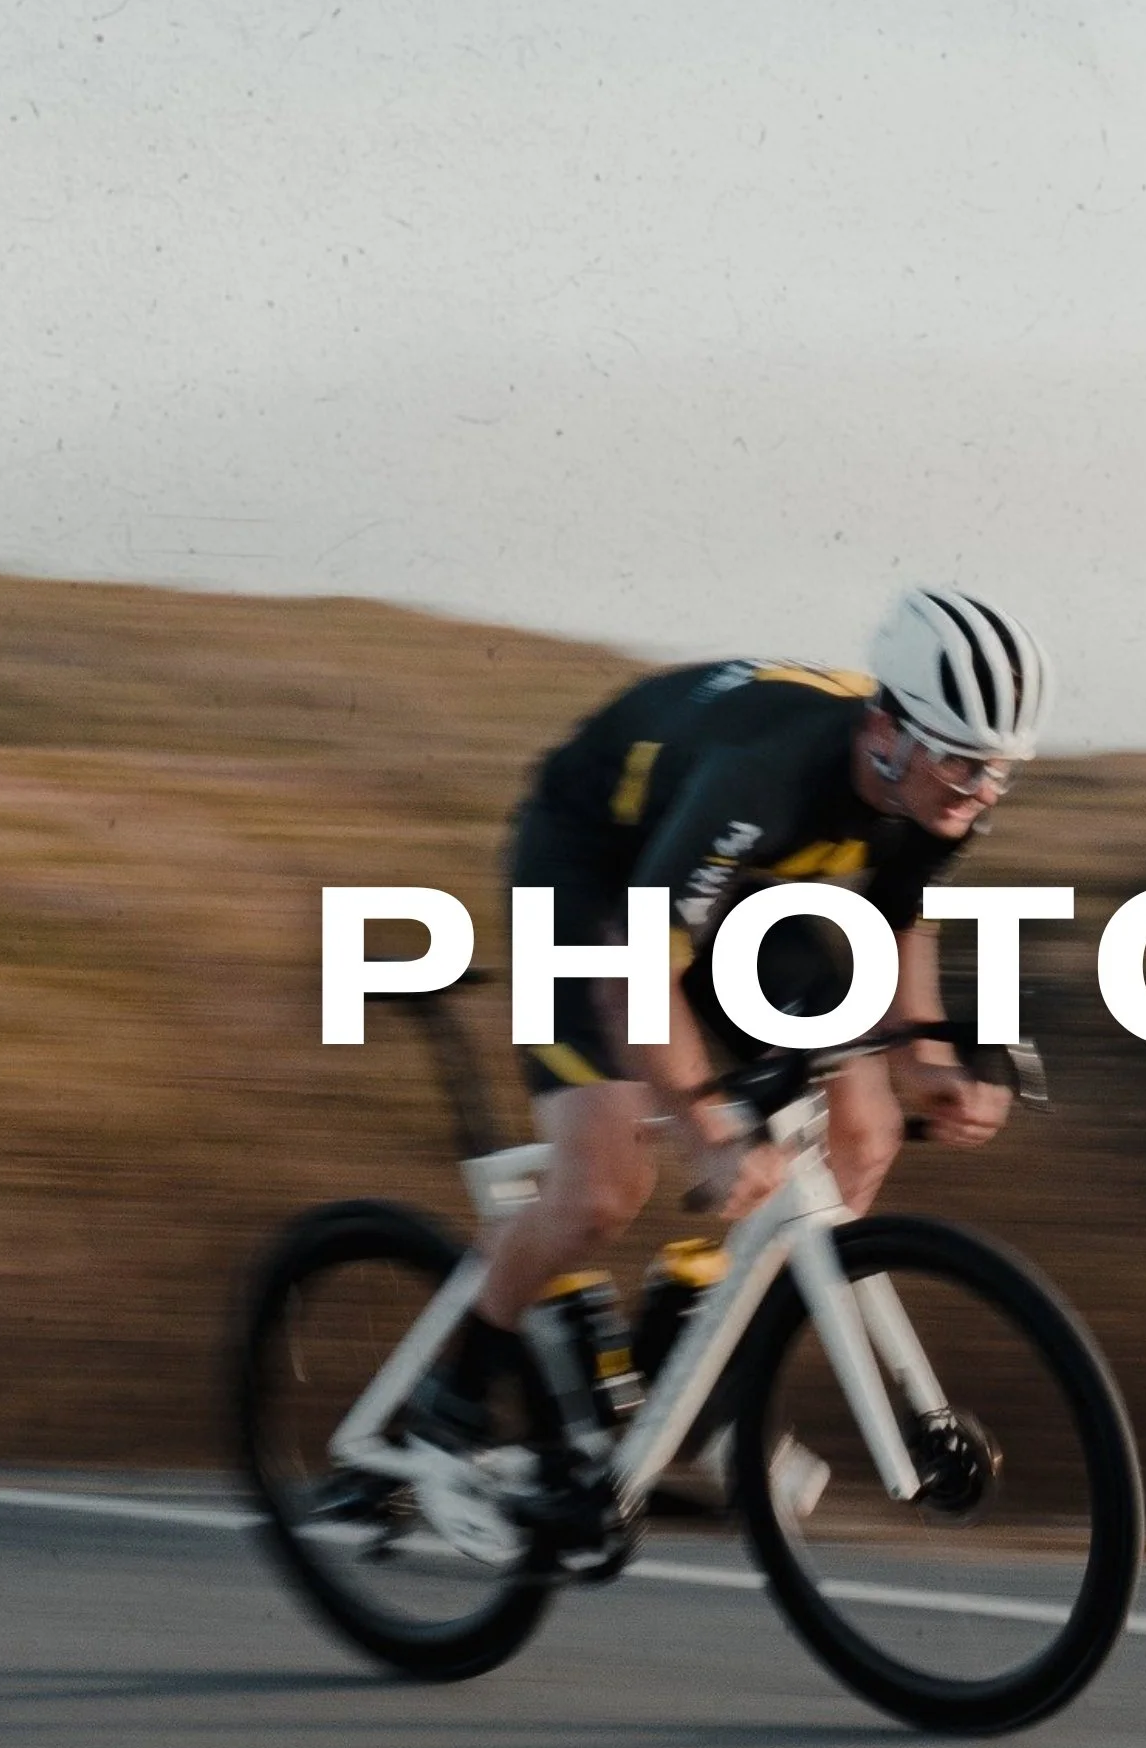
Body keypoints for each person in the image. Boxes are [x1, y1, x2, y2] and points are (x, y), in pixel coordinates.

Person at [418, 586, 1053, 1542]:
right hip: (595, 867)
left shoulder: (935, 788)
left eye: (1000, 769)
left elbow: (895, 916)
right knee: (604, 1182)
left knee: (862, 1129)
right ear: (889, 731)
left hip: (746, 887)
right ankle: (458, 1385)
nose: (979, 790)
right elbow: (636, 966)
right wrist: (708, 1126)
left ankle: (694, 1341)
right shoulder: (764, 776)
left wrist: (927, 1056)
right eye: (963, 763)